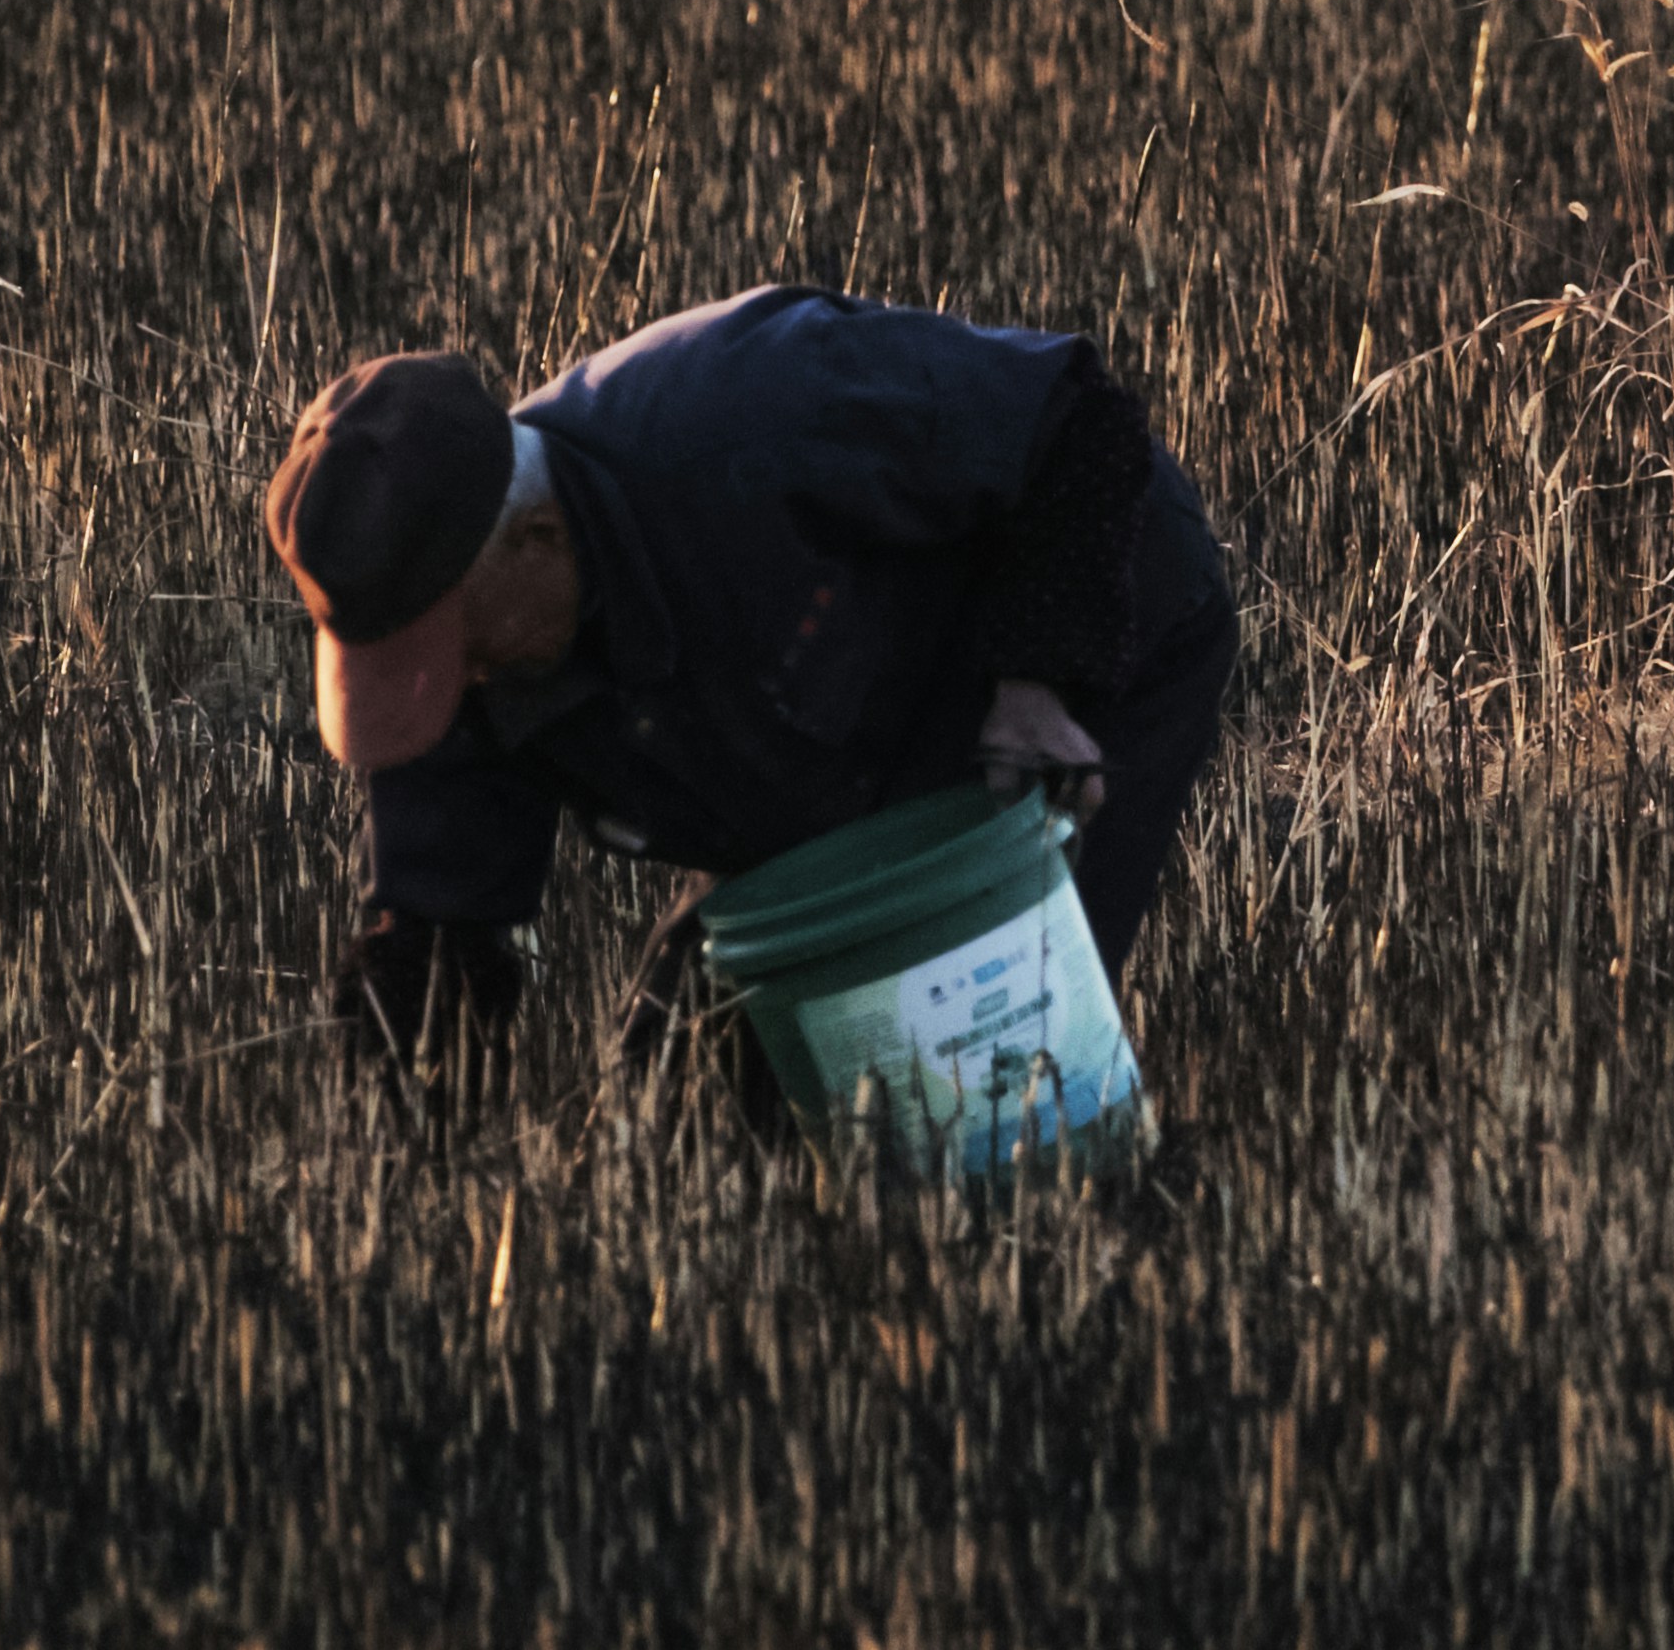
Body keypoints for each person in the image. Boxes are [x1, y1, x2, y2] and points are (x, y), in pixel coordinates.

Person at [262, 290, 1237, 1072]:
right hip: (822, 736)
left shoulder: (756, 412)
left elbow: (1076, 418)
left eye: (463, 646)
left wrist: (1044, 675)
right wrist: (410, 1066)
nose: (462, 682)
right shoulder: (449, 619)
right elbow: (441, 937)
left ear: (539, 540)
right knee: (678, 1107)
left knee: (982, 1077)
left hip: (1080, 634)